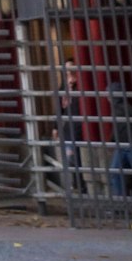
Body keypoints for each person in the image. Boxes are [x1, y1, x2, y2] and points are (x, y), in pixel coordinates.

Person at [57, 59, 83, 195]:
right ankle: (76, 183)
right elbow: (59, 109)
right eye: (66, 68)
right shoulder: (63, 87)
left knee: (79, 158)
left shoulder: (81, 84)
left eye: (71, 68)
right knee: (70, 158)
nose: (69, 71)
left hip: (80, 126)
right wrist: (55, 127)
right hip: (68, 128)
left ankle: (82, 185)